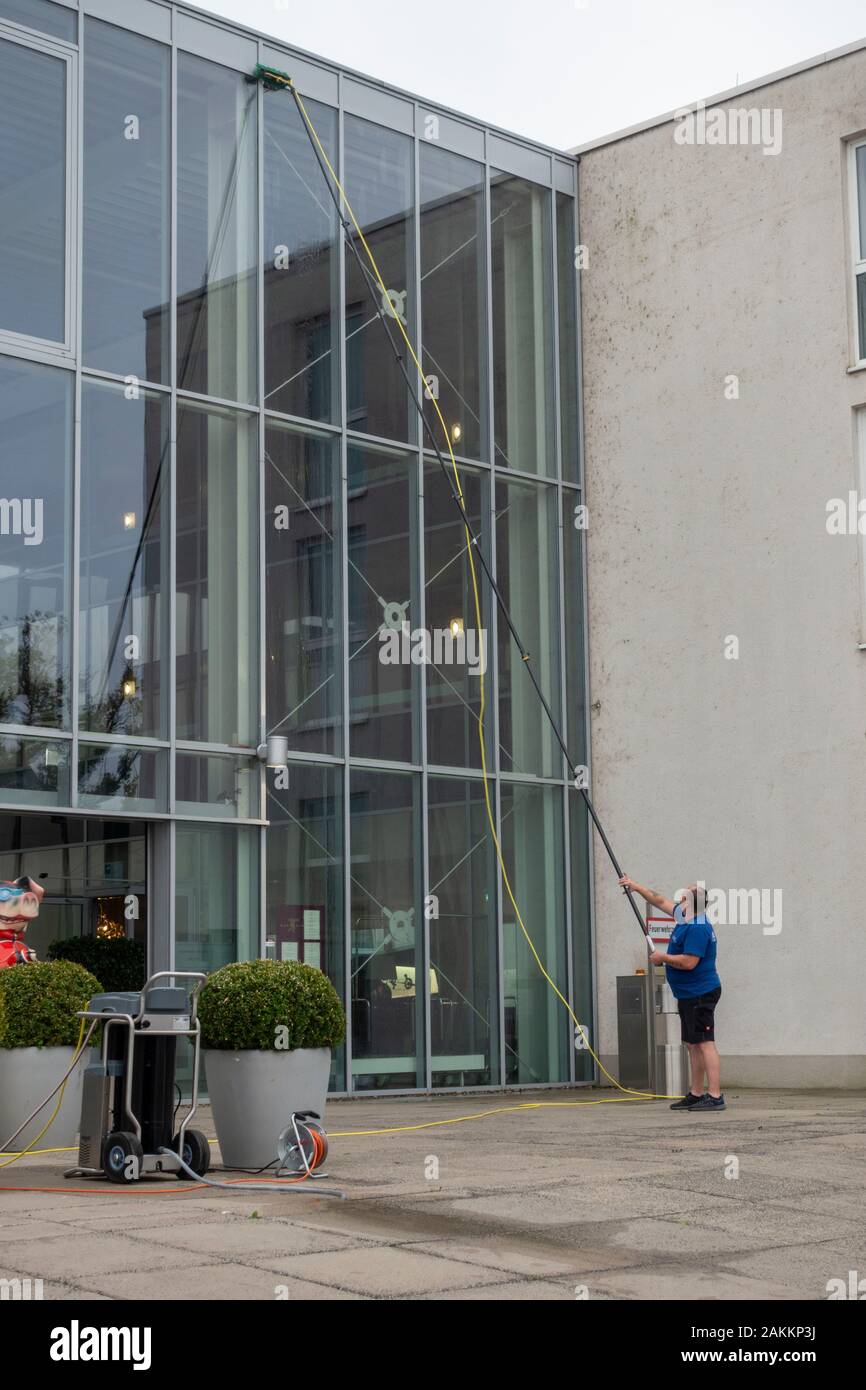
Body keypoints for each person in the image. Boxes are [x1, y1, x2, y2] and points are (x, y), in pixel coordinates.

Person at [617, 877, 725, 1112]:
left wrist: (662, 958)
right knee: (691, 1043)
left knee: (705, 1042)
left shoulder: (698, 927)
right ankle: (696, 1094)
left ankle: (715, 1096)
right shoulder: (685, 916)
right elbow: (660, 900)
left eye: (684, 896)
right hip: (688, 994)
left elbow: (689, 963)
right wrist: (636, 887)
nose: (679, 898)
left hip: (701, 993)